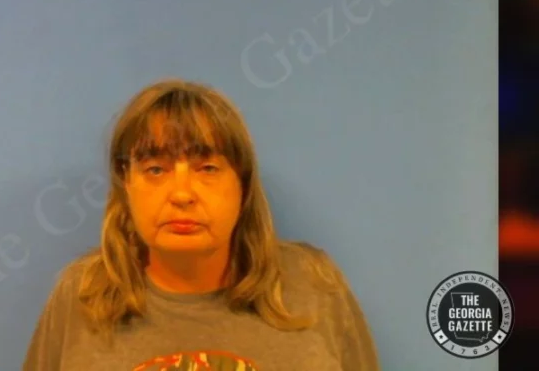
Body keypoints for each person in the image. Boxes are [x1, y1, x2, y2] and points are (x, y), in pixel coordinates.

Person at [22, 78, 380, 370]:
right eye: (156, 170)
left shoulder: (313, 286)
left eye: (207, 168)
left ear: (242, 185)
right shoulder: (81, 296)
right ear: (126, 184)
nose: (182, 194)